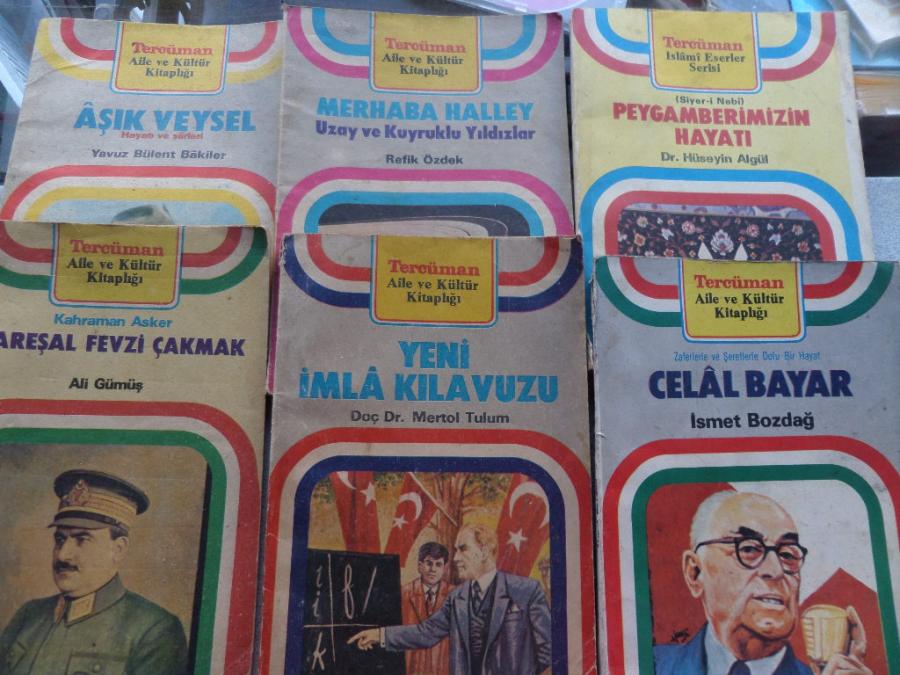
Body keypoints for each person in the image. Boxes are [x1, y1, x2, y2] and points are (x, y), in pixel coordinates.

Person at [654, 491, 871, 675]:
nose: (776, 571)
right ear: (694, 572)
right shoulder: (652, 664)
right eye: (748, 549)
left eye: (787, 554)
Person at [0, 470, 188, 675]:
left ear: (118, 549)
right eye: (60, 539)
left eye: (82, 539)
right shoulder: (29, 615)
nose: (62, 554)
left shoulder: (154, 630)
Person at [349, 524, 552, 675]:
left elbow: (549, 649)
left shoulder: (526, 590)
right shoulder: (457, 597)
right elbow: (426, 632)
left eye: (462, 549)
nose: (455, 558)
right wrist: (379, 635)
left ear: (483, 551)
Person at [401, 542, 455, 675]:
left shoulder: (455, 596)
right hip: (411, 667)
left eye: (438, 564)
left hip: (442, 667)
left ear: (445, 568)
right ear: (419, 566)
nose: (433, 569)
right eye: (429, 563)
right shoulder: (404, 594)